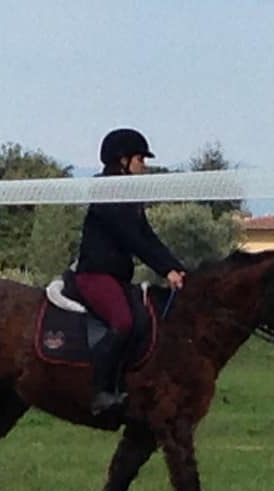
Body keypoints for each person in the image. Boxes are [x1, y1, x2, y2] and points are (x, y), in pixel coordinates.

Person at [74, 128, 187, 415]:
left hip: (117, 278)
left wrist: (176, 267)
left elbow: (148, 236)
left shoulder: (129, 195)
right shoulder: (107, 193)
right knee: (123, 322)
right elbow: (131, 238)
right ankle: (100, 391)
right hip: (95, 276)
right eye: (140, 159)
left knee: (143, 320)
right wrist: (164, 270)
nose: (144, 166)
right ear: (122, 160)